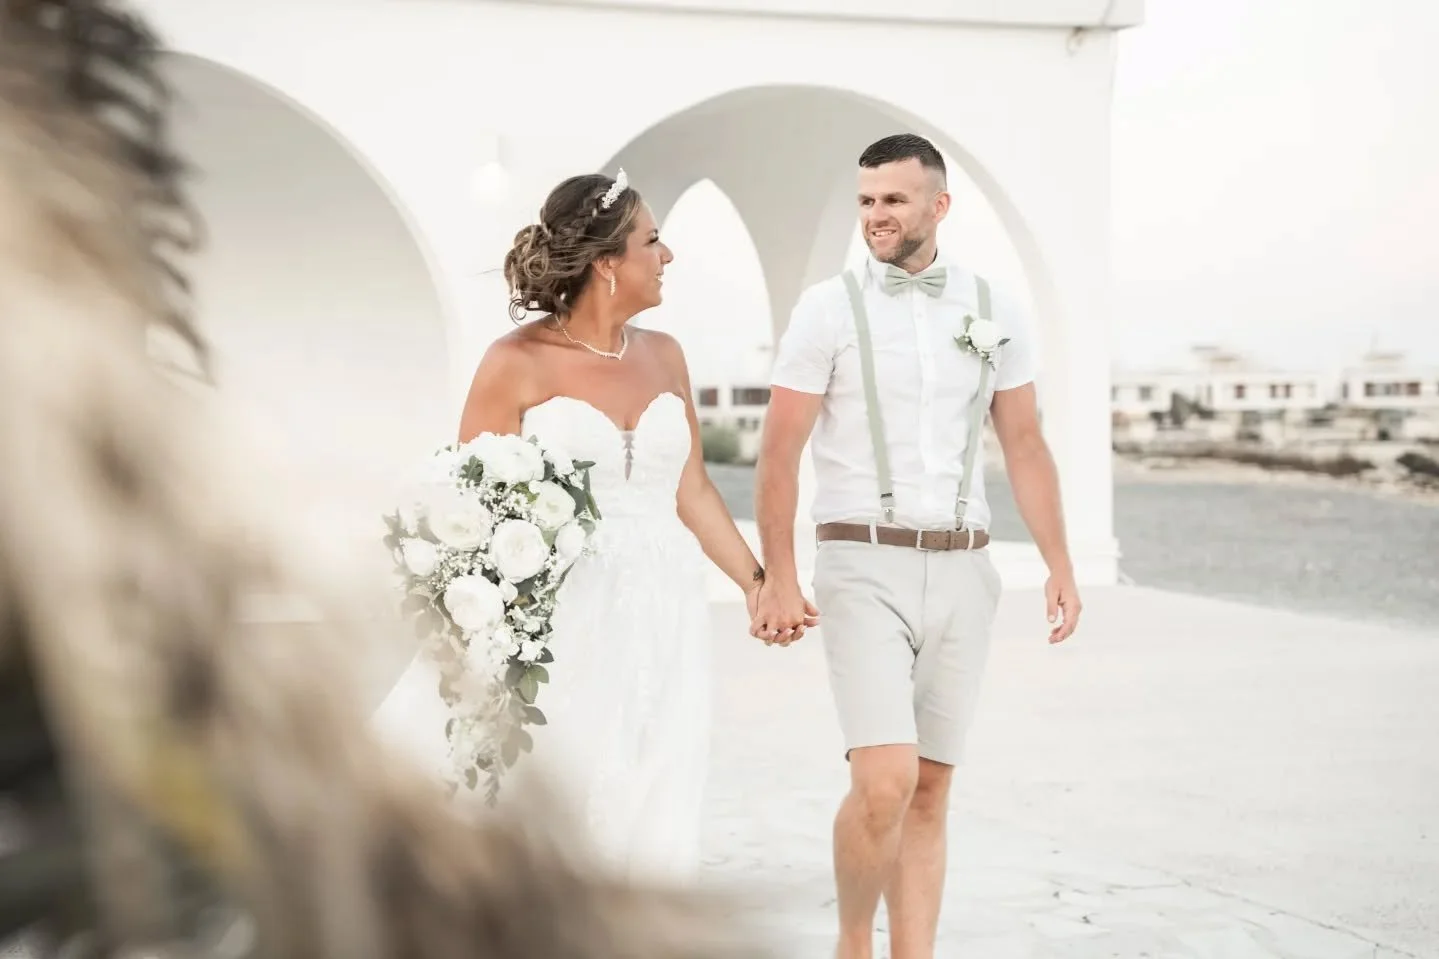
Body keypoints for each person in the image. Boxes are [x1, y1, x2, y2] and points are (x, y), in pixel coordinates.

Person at [374, 170, 819, 884]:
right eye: (653, 240)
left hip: (663, 606)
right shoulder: (513, 362)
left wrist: (758, 584)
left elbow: (693, 489)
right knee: (559, 782)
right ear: (608, 262)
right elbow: (467, 508)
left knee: (653, 774)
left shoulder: (665, 354)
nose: (666, 255)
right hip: (561, 615)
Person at [749, 133, 1082, 959]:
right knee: (884, 780)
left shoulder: (992, 304)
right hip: (861, 562)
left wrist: (1059, 563)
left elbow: (1025, 442)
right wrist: (780, 577)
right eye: (865, 200)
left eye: (892, 200)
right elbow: (778, 452)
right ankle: (853, 943)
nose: (876, 216)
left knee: (930, 790)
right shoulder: (826, 308)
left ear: (937, 206)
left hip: (966, 566)